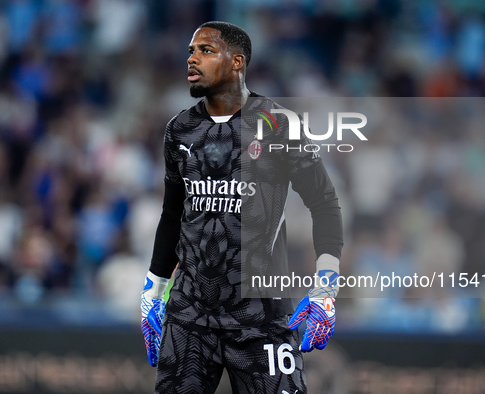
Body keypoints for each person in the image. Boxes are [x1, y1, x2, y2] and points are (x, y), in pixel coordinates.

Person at [141, 21, 344, 394]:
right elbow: (173, 214)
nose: (192, 58)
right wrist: (153, 288)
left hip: (260, 316)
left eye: (205, 50)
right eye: (190, 51)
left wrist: (326, 286)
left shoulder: (278, 124)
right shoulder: (180, 129)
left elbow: (325, 204)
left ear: (237, 62)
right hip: (189, 316)